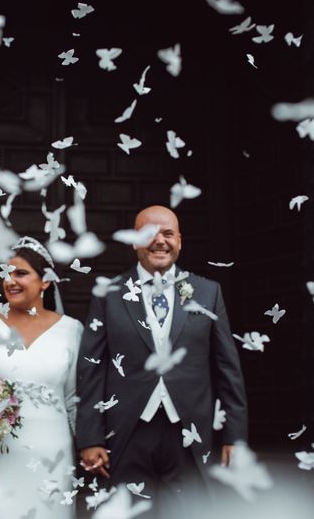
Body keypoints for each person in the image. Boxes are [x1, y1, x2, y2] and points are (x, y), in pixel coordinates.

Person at [75, 205, 248, 517]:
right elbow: (92, 366)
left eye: (168, 233)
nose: (160, 240)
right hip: (125, 432)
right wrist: (90, 437)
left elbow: (227, 367)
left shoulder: (208, 292)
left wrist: (234, 435)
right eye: (149, 233)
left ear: (180, 241)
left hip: (189, 431)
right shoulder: (108, 294)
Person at [0, 236, 84, 519]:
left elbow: (74, 399)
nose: (11, 281)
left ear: (46, 280)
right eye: (6, 274)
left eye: (21, 273)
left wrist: (88, 446)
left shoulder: (72, 330)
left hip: (50, 456)